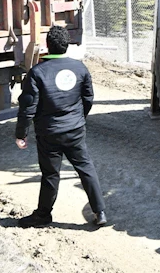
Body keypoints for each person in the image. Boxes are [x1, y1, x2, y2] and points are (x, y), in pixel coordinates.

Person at [15, 25, 107, 228]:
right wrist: (78, 118)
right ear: (67, 46)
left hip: (49, 133)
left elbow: (28, 106)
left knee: (50, 174)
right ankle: (100, 212)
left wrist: (21, 134)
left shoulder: (37, 72)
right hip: (75, 130)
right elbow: (88, 98)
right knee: (85, 168)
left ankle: (43, 216)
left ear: (47, 46)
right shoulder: (80, 68)